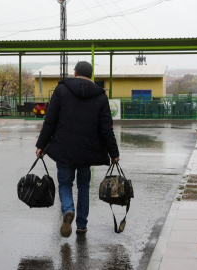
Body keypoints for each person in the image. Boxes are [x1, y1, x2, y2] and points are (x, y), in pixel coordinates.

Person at [35, 61, 120, 238]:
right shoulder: (100, 96)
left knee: (65, 183)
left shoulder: (61, 90)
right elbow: (106, 128)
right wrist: (114, 153)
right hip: (88, 151)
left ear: (74, 73)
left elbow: (50, 120)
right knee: (83, 186)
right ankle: (82, 224)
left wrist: (41, 144)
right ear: (91, 76)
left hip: (63, 148)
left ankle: (68, 210)